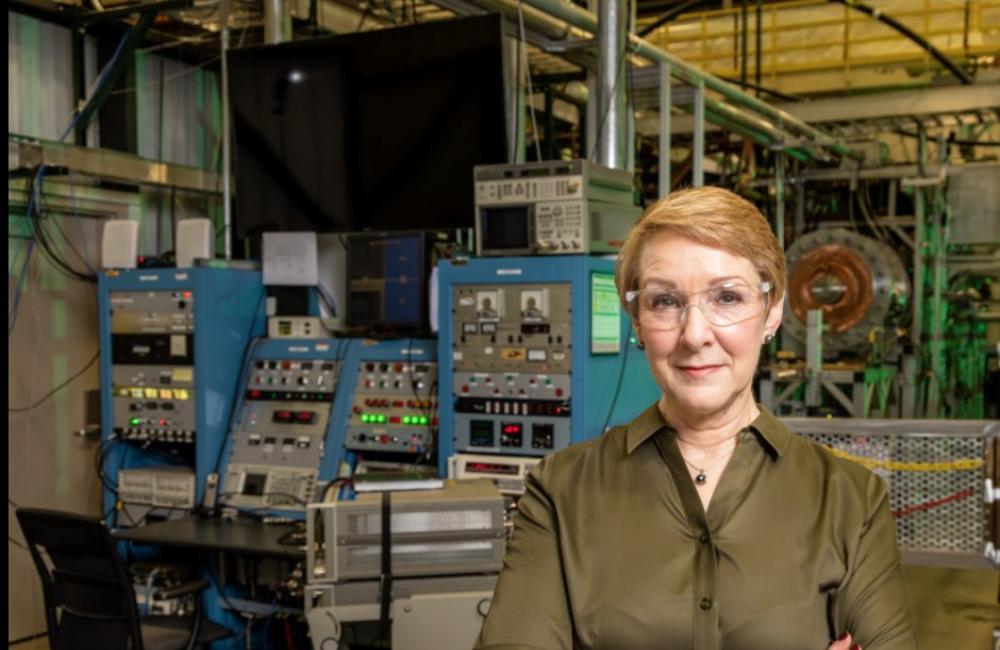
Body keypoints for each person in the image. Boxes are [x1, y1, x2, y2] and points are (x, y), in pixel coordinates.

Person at [474, 187, 916, 650]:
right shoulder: (562, 489)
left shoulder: (850, 500)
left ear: (773, 311)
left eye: (727, 297)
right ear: (638, 321)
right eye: (665, 301)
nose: (695, 334)